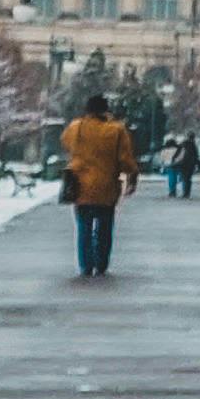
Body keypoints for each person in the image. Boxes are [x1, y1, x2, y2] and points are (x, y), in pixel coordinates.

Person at [58, 93, 138, 280]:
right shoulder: (116, 130)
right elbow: (125, 159)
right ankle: (101, 263)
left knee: (83, 227)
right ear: (106, 110)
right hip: (106, 186)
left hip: (80, 186)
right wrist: (132, 176)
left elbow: (65, 142)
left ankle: (85, 265)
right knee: (104, 227)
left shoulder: (76, 127)